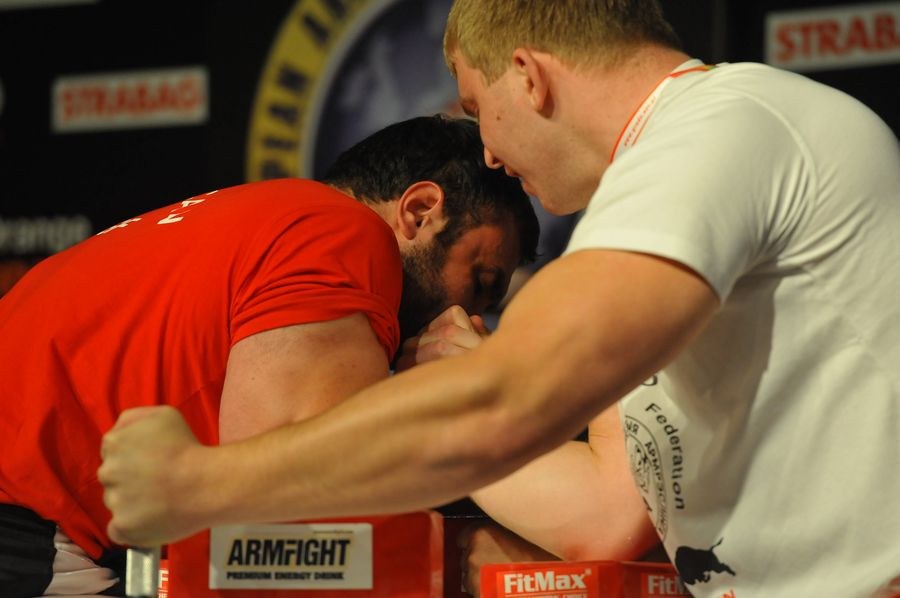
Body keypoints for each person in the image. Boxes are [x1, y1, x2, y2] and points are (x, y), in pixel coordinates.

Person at [98, 1, 900, 596]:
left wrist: (202, 483)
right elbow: (605, 513)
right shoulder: (664, 203)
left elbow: (505, 402)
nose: (484, 150)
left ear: (530, 75)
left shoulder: (724, 128)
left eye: (480, 112)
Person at [0, 114, 539, 598]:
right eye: (479, 281)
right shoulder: (341, 229)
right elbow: (298, 506)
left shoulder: (259, 216)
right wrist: (471, 546)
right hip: (27, 530)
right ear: (420, 211)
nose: (470, 321)